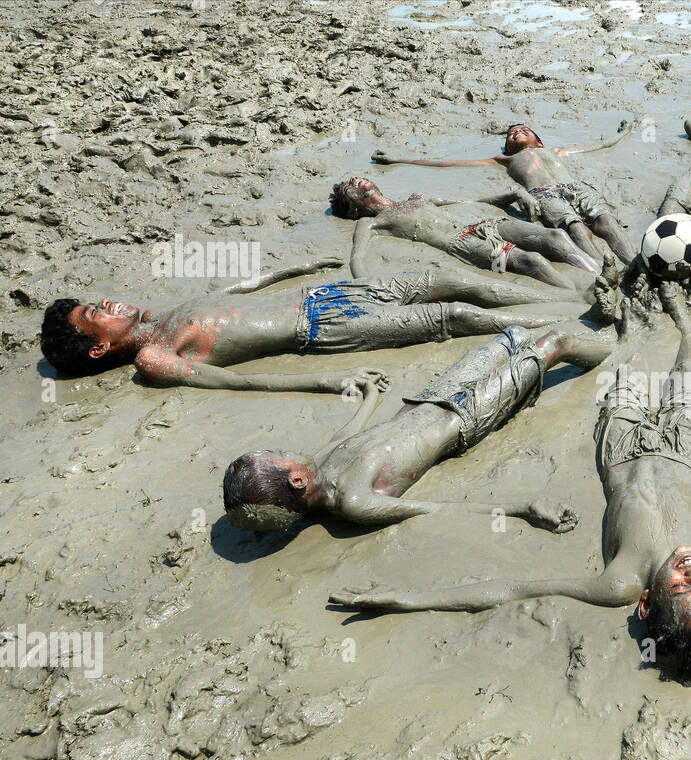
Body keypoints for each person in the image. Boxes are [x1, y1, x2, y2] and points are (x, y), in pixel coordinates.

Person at [330, 272, 691, 691]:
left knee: (625, 373)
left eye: (682, 587)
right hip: (684, 451)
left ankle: (628, 325)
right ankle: (678, 317)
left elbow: (508, 590)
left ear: (647, 604)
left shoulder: (619, 584)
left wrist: (407, 599)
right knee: (687, 373)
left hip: (621, 454)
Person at [223, 322, 610, 531]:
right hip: (466, 416)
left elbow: (350, 432)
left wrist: (370, 396)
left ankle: (602, 337)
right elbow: (433, 510)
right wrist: (521, 508)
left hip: (431, 397)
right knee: (554, 342)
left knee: (515, 336)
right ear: (296, 481)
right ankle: (625, 349)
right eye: (277, 455)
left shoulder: (321, 462)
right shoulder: (353, 500)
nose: (282, 447)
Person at [40, 255, 577, 392]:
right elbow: (238, 382)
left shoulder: (160, 317)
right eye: (95, 314)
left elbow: (235, 292)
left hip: (322, 291)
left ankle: (566, 293)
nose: (106, 302)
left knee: (449, 280)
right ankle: (575, 318)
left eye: (96, 300)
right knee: (454, 316)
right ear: (95, 349)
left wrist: (292, 268)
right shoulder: (154, 358)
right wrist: (322, 381)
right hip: (324, 326)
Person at [372, 121, 638, 263]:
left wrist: (623, 134)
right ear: (506, 149)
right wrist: (398, 159)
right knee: (578, 229)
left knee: (606, 221)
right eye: (512, 134)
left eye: (524, 130)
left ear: (539, 141)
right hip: (544, 194)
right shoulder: (504, 160)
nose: (518, 132)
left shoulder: (554, 151)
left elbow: (599, 146)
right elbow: (448, 162)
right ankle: (603, 267)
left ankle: (635, 262)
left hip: (575, 188)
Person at [330, 176, 600, 288]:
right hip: (462, 244)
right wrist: (364, 284)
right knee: (533, 261)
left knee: (555, 237)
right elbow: (358, 256)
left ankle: (600, 276)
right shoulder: (371, 222)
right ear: (353, 210)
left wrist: (512, 193)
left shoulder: (417, 197)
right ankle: (581, 297)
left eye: (355, 177)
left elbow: (470, 201)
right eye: (349, 187)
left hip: (482, 225)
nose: (356, 180)